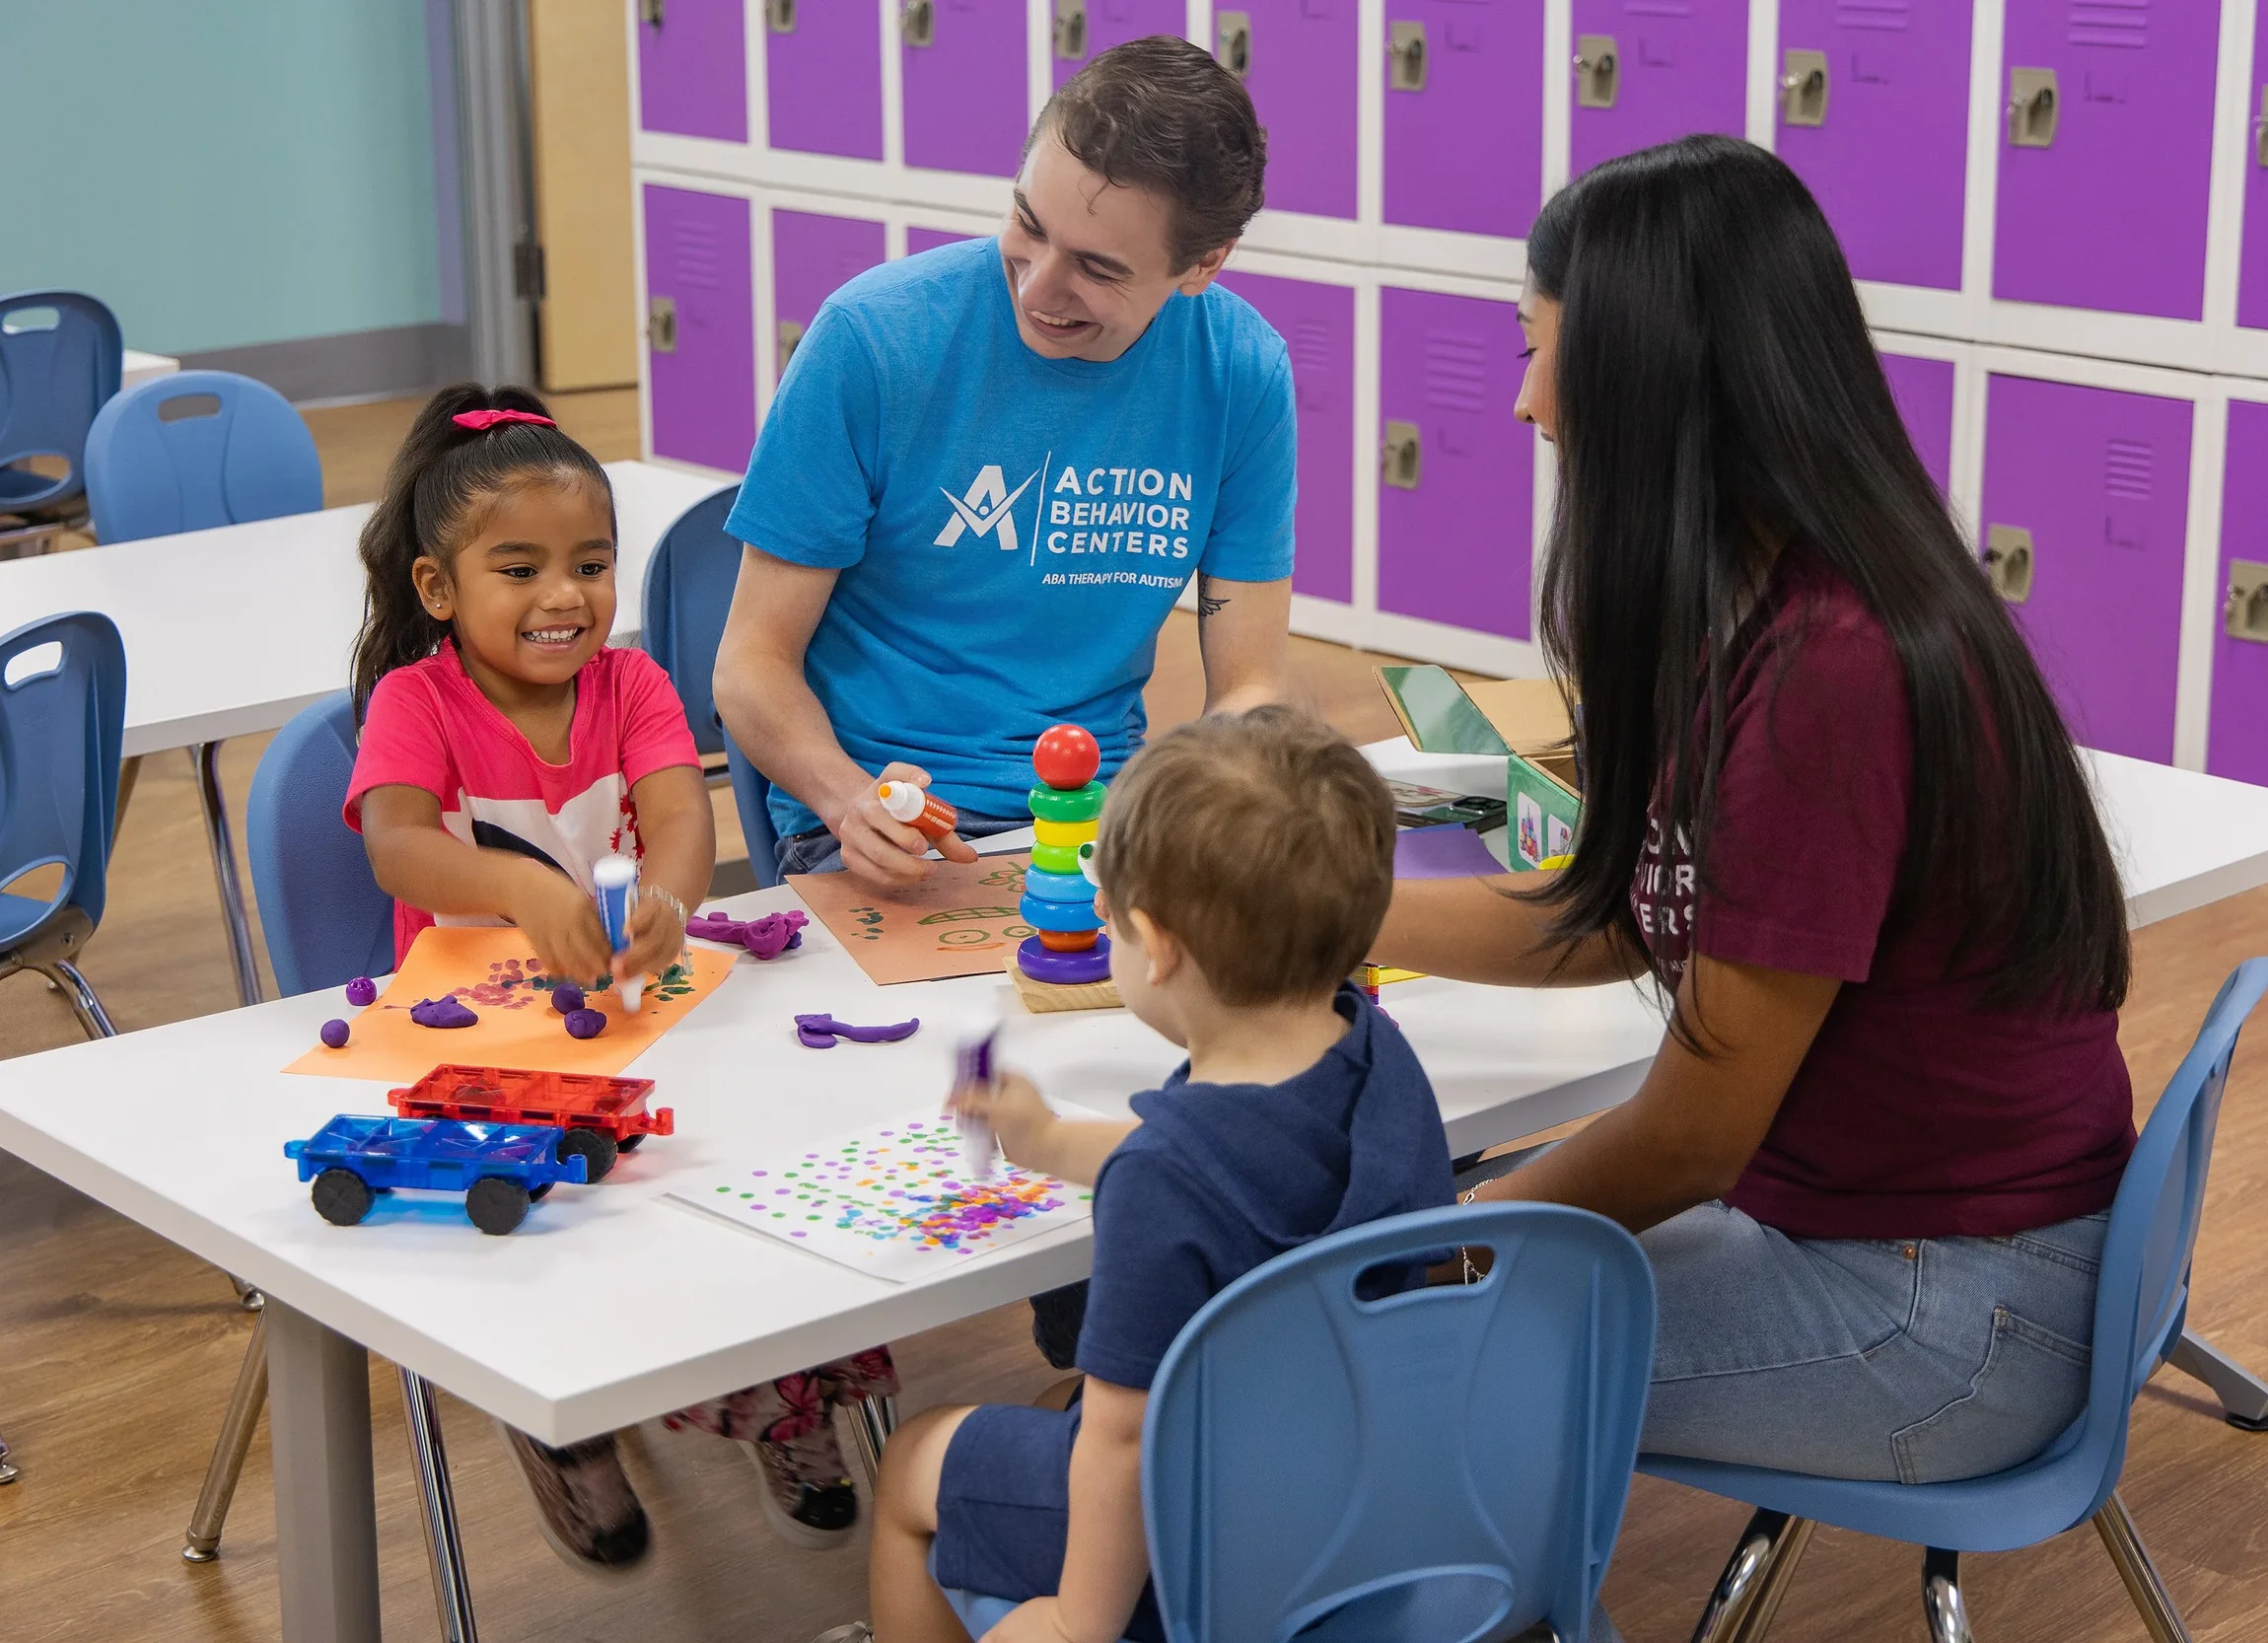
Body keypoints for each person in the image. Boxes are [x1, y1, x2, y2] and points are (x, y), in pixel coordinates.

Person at [1376, 136, 2138, 1484]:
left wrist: (1427, 1241)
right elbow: (1628, 918)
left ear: (1653, 380)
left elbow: (1690, 1132)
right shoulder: (1786, 596)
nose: (1526, 405)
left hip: (1943, 1308)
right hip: (1908, 1235)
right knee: (1410, 1266)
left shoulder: (1828, 672)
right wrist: (1340, 915)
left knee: (1345, 1345)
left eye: (1540, 350)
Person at [343, 384, 893, 1573]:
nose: (563, 597)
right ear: (440, 590)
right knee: (554, 1224)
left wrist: (669, 905)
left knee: (760, 1186)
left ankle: (781, 1402)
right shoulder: (416, 700)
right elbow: (396, 842)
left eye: (590, 565)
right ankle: (566, 1418)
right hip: (478, 1057)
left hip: (643, 1022)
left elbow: (678, 820)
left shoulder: (632, 686)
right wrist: (526, 891)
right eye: (520, 568)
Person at [866, 708, 1454, 1643]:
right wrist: (1053, 1139)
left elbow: (1124, 1437)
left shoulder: (1162, 1181)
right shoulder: (1376, 1051)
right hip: (1363, 1490)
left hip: (1204, 1544)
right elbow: (1229, 1166)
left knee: (909, 1464)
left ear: (1155, 942)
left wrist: (1075, 1623)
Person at [713, 36, 1296, 897]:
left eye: (1096, 268)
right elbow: (750, 663)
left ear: (1202, 265)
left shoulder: (1241, 372)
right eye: (1028, 224)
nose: (1036, 287)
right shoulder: (874, 340)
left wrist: (1214, 805)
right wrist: (846, 802)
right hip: (890, 817)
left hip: (1098, 819)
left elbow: (1248, 680)